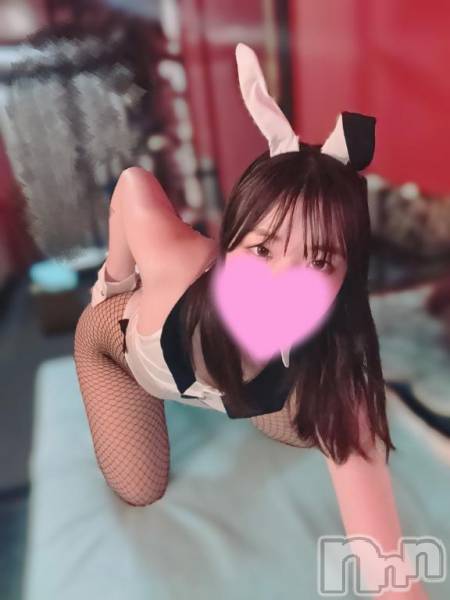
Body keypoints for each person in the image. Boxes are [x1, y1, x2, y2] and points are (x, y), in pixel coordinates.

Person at [74, 43, 428, 599]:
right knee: (140, 489)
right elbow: (134, 186)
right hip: (123, 350)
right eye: (262, 250)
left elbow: (385, 560)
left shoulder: (337, 368)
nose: (281, 282)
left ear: (346, 277)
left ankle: (250, 391)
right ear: (230, 242)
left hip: (252, 383)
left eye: (318, 261)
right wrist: (114, 282)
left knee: (317, 424)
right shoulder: (176, 266)